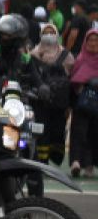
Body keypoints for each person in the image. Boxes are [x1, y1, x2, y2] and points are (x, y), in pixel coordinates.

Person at [29, 23, 73, 168]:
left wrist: (70, 104)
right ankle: (43, 162)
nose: (49, 35)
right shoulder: (33, 55)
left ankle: (55, 157)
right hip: (40, 101)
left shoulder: (66, 56)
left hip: (59, 102)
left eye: (52, 32)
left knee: (58, 131)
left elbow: (71, 80)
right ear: (41, 35)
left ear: (57, 35)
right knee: (42, 131)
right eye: (46, 32)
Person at [69, 29, 98, 178]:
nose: (93, 43)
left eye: (96, 40)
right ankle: (76, 162)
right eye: (90, 40)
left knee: (94, 133)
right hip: (81, 102)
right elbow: (74, 77)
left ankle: (89, 164)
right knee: (79, 132)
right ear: (85, 42)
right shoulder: (80, 58)